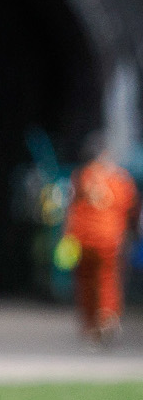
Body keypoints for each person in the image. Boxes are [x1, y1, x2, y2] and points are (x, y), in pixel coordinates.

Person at [62, 137, 138, 341]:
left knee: (86, 280)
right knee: (107, 278)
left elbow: (71, 208)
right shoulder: (121, 179)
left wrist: (67, 235)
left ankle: (91, 323)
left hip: (84, 238)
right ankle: (106, 316)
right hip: (109, 239)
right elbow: (129, 208)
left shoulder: (82, 176)